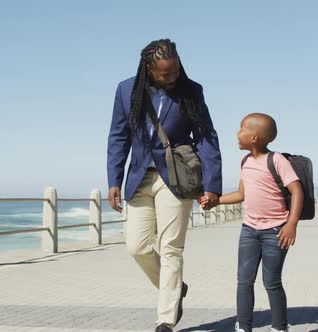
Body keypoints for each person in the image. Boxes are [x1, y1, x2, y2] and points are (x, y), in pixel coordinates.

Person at [107, 39, 222, 332]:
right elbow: (118, 136)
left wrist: (212, 186)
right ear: (149, 69)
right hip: (139, 177)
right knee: (137, 247)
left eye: (175, 71)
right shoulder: (126, 89)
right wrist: (114, 180)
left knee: (171, 248)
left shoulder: (191, 90)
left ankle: (165, 320)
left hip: (176, 178)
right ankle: (174, 288)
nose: (172, 78)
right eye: (164, 74)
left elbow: (207, 137)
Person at [201, 113, 303, 332]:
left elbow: (297, 191)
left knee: (272, 282)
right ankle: (243, 326)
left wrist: (291, 223)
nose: (237, 134)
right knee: (244, 280)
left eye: (241, 129)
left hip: (276, 231)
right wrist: (215, 201)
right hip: (249, 230)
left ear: (254, 137)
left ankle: (279, 327)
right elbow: (241, 194)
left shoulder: (277, 161)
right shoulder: (245, 161)